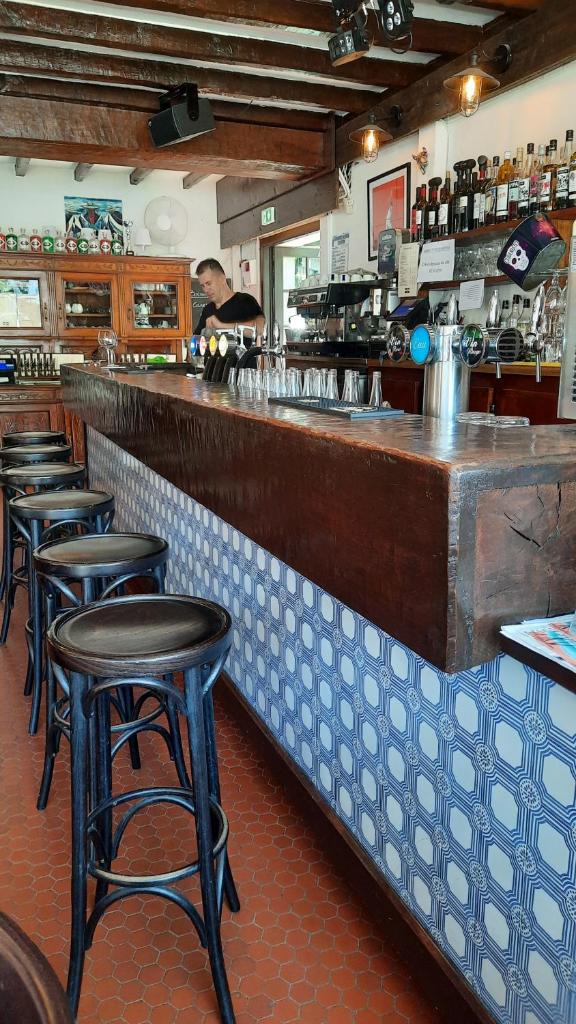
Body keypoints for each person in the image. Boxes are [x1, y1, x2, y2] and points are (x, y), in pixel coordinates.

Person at [194, 258, 265, 336]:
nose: (206, 290)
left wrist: (221, 326)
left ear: (222, 279)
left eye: (209, 283)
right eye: (203, 286)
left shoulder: (245, 301)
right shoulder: (207, 310)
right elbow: (194, 339)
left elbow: (260, 329)